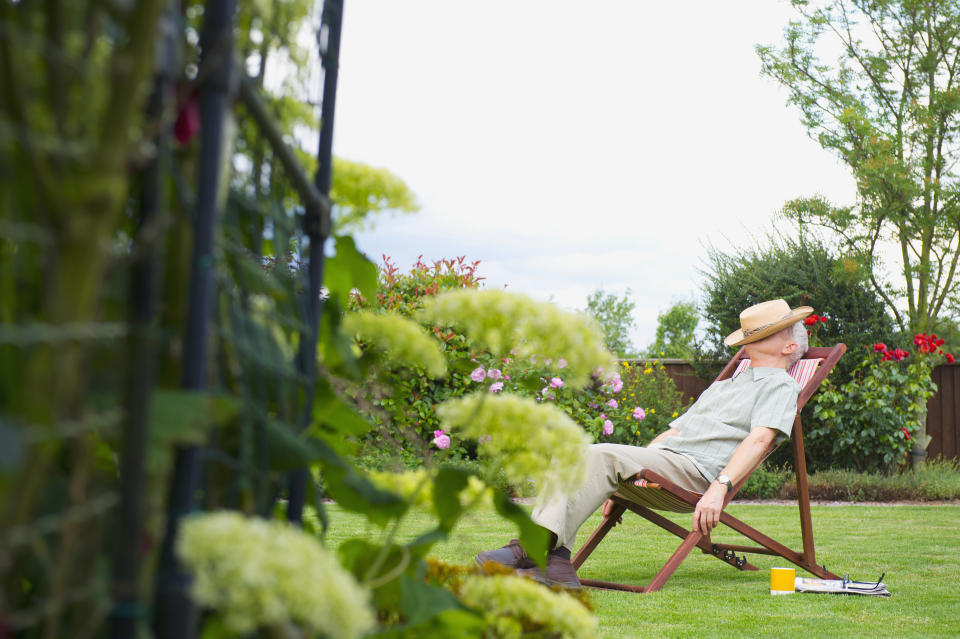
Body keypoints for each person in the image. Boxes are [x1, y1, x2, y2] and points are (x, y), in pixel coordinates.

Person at [474, 299, 812, 589]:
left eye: (769, 331)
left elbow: (760, 439)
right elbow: (674, 434)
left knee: (598, 453)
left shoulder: (780, 386)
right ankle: (558, 563)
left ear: (789, 347)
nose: (753, 338)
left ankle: (529, 551)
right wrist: (624, 477)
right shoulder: (727, 385)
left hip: (696, 473)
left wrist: (719, 488)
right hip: (670, 461)